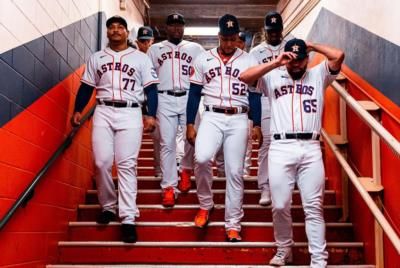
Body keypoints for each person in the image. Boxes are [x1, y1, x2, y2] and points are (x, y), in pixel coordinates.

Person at [240, 38, 344, 266]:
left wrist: (314, 46)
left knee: (314, 207)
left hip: (311, 148)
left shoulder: (319, 75)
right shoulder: (273, 76)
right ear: (286, 59)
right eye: (292, 60)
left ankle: (319, 259)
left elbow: (338, 56)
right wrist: (276, 62)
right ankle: (284, 249)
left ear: (307, 59)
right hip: (280, 147)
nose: (296, 64)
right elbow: (245, 77)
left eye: (300, 60)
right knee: (279, 205)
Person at [70, 15, 159, 243]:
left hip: (130, 111)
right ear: (107, 32)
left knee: (127, 165)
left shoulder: (140, 58)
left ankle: (128, 217)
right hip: (103, 110)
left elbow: (150, 89)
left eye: (120, 27)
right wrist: (79, 109)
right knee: (101, 162)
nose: (116, 30)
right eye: (112, 27)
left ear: (127, 33)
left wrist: (150, 114)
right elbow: (86, 86)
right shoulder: (97, 58)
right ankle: (108, 206)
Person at [186, 14, 262, 242]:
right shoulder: (203, 59)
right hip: (211, 116)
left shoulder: (249, 60)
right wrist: (190, 123)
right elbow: (194, 94)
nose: (229, 43)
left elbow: (255, 95)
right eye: (225, 38)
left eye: (233, 38)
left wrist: (256, 123)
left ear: (237, 37)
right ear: (219, 37)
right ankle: (205, 204)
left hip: (239, 118)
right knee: (201, 158)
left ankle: (233, 224)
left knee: (235, 172)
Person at [147, 13, 205, 207]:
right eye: (172, 25)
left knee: (192, 137)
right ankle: (169, 187)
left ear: (184, 28)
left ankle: (186, 169)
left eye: (179, 25)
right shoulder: (155, 49)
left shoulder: (195, 48)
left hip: (189, 95)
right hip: (164, 96)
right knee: (167, 142)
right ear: (166, 28)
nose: (176, 29)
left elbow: (204, 72)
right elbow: (149, 78)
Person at [249, 11, 287, 206]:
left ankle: (281, 186)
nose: (274, 34)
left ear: (282, 30)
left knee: (287, 144)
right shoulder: (256, 52)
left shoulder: (290, 47)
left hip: (288, 100)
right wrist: (255, 122)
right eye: (270, 31)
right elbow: (252, 89)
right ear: (265, 31)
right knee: (265, 145)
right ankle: (265, 186)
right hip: (265, 101)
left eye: (277, 31)